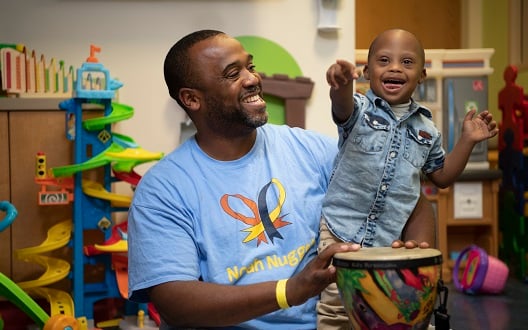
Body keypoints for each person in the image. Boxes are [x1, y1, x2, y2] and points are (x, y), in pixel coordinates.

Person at [127, 29, 436, 329]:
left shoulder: (309, 150)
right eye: (233, 74)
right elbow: (175, 302)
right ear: (192, 99)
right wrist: (290, 291)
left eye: (250, 66)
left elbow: (407, 194)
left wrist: (415, 264)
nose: (252, 79)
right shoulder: (163, 189)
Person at [317, 28, 499, 328]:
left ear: (422, 76)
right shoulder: (360, 110)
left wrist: (467, 141)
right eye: (384, 60)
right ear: (367, 71)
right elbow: (342, 105)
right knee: (337, 308)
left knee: (386, 307)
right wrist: (340, 84)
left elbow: (441, 176)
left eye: (407, 62)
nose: (395, 68)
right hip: (340, 231)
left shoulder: (427, 129)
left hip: (390, 241)